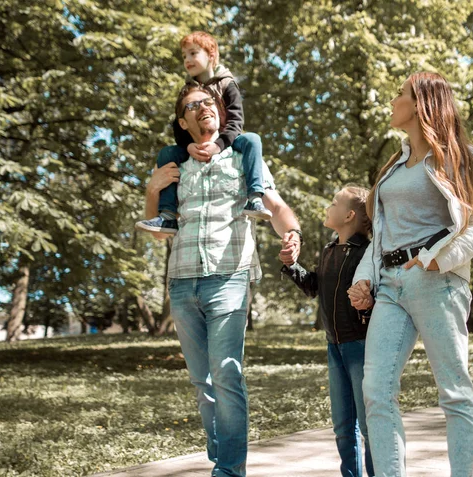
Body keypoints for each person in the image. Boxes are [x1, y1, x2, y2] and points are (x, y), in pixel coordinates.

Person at [347, 72, 473, 477]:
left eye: (401, 94)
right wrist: (364, 277)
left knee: (454, 391)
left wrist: (440, 259)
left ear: (420, 105)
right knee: (375, 391)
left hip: (438, 283)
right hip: (390, 285)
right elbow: (381, 234)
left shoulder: (458, 157)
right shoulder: (394, 165)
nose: (394, 99)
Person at [144, 84, 302, 477]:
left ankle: (229, 471)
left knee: (227, 372)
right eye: (192, 107)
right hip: (182, 281)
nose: (202, 109)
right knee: (203, 381)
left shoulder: (244, 154)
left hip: (229, 276)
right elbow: (158, 228)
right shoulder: (175, 165)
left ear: (219, 111)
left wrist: (293, 233)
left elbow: (275, 204)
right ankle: (223, 461)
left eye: (208, 102)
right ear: (183, 122)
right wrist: (151, 189)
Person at [136, 31, 272, 236]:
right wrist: (187, 146)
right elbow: (178, 125)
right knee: (166, 154)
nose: (187, 60)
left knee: (252, 139)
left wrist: (219, 145)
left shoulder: (227, 83)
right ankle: (168, 216)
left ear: (211, 55)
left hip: (228, 140)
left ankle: (254, 198)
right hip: (196, 145)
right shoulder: (189, 89)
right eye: (184, 56)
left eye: (193, 53)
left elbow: (236, 121)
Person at [281, 185, 375, 477]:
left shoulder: (368, 253)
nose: (327, 207)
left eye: (333, 203)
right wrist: (291, 265)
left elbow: (377, 298)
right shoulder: (328, 250)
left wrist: (368, 304)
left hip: (360, 345)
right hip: (333, 345)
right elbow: (313, 287)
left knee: (370, 423)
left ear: (349, 215)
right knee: (343, 425)